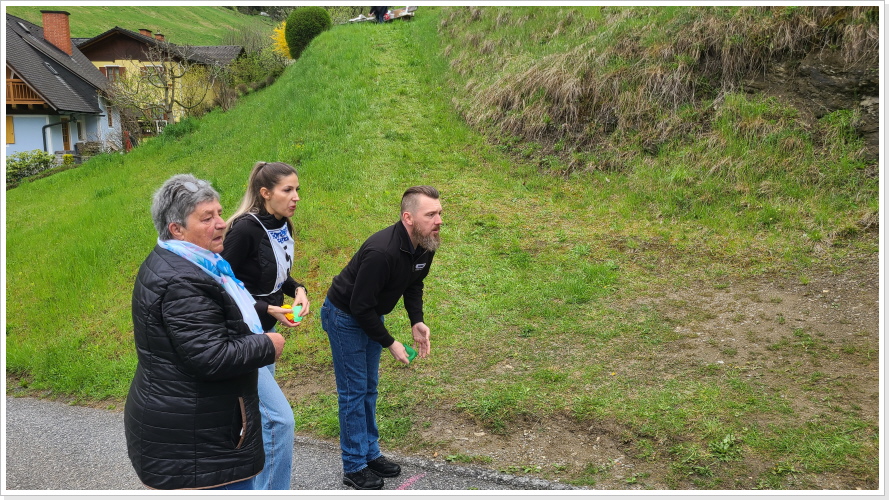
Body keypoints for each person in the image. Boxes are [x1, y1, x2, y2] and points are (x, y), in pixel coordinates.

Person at [125, 174, 286, 490]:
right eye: (207, 218)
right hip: (196, 441)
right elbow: (211, 357)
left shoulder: (185, 262)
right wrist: (268, 344)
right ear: (177, 229)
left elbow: (212, 319)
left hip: (191, 425)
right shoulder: (183, 281)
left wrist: (263, 311)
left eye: (219, 213)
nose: (222, 223)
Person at [321, 185, 442, 490]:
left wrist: (416, 320)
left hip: (369, 315)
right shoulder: (382, 251)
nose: (439, 220)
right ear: (408, 218)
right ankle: (354, 466)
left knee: (369, 389)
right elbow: (359, 306)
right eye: (431, 214)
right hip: (344, 317)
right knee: (353, 392)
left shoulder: (425, 245)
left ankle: (370, 453)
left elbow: (414, 284)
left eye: (439, 213)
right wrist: (390, 342)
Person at [220, 161, 310, 490]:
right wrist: (265, 307)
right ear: (265, 193)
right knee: (280, 421)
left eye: (297, 189)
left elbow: (277, 274)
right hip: (242, 338)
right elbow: (219, 283)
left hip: (266, 335)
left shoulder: (283, 226)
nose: (296, 196)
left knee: (259, 423)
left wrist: (298, 290)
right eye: (288, 190)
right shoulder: (245, 229)